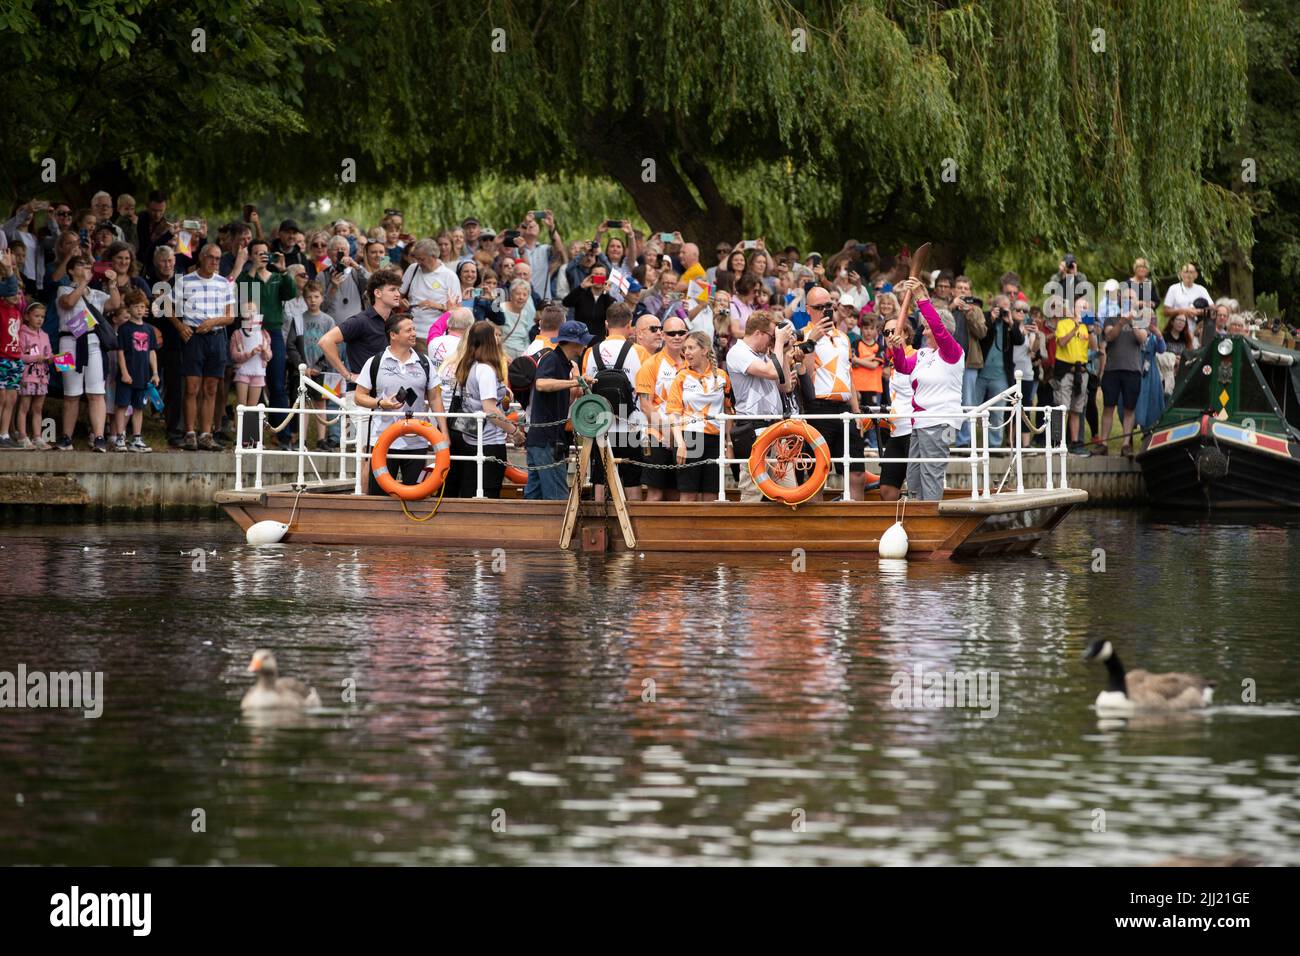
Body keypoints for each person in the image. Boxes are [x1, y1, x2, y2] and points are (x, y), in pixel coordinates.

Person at [354, 313, 446, 496]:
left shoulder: (424, 362)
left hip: (417, 440)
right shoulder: (375, 362)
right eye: (408, 330)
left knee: (417, 496)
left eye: (414, 329)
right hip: (382, 439)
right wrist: (380, 403)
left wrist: (444, 432)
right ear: (393, 335)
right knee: (378, 495)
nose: (414, 333)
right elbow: (359, 396)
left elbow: (435, 398)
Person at [889, 278, 964, 501]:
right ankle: (916, 515)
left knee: (931, 473)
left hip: (941, 421)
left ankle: (931, 517)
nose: (923, 331)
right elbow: (902, 367)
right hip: (919, 423)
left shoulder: (953, 352)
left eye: (927, 327)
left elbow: (939, 329)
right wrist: (897, 349)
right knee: (913, 476)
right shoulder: (922, 354)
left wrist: (922, 298)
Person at [318, 268, 403, 450]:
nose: (398, 294)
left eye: (398, 289)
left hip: (388, 395)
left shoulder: (395, 322)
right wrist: (347, 375)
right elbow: (326, 341)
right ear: (377, 293)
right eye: (392, 289)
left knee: (389, 450)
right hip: (361, 395)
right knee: (365, 452)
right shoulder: (361, 320)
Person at [800, 287, 868, 500]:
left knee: (856, 469)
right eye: (819, 307)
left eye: (828, 306)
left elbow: (849, 375)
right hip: (819, 408)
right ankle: (816, 522)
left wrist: (857, 412)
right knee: (818, 470)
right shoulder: (802, 334)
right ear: (808, 309)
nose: (825, 311)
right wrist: (812, 339)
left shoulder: (844, 337)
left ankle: (856, 518)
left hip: (845, 409)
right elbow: (805, 376)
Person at [582, 302, 650, 502]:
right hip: (631, 425)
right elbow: (645, 390)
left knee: (600, 479)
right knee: (632, 480)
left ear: (605, 323)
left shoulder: (591, 352)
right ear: (630, 325)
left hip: (600, 425)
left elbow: (586, 389)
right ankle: (633, 525)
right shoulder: (639, 352)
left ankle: (598, 527)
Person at [725, 311, 794, 501]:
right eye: (771, 337)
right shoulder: (737, 352)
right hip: (753, 428)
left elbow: (785, 385)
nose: (772, 342)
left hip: (776, 428)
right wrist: (779, 343)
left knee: (788, 490)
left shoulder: (767, 354)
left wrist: (785, 353)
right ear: (758, 333)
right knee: (752, 491)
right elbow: (771, 372)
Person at [448, 320, 521, 498]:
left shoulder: (468, 365)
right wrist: (514, 430)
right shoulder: (485, 369)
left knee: (470, 488)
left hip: (471, 437)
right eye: (495, 336)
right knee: (488, 490)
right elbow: (490, 410)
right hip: (489, 441)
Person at [56, 255, 122, 451]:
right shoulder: (63, 289)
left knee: (96, 392)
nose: (87, 268)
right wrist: (83, 283)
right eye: (82, 266)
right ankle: (66, 437)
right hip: (67, 343)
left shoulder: (96, 294)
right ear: (70, 270)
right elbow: (67, 303)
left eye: (88, 266)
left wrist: (112, 285)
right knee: (70, 393)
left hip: (93, 343)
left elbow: (115, 304)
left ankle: (99, 436)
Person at [177, 245, 234, 451]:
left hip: (216, 336)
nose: (215, 262)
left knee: (211, 388)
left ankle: (206, 434)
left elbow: (231, 316)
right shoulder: (185, 281)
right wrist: (180, 326)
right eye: (211, 257)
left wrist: (213, 322)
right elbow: (167, 308)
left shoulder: (223, 283)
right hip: (194, 337)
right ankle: (190, 433)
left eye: (218, 259)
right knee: (192, 387)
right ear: (201, 258)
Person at [526, 321, 592, 500]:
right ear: (573, 343)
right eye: (583, 342)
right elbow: (541, 384)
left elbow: (567, 398)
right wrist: (574, 382)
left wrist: (578, 379)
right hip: (547, 440)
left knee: (534, 494)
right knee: (557, 497)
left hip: (542, 438)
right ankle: (559, 529)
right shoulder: (552, 359)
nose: (585, 345)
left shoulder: (565, 364)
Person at [667, 331, 733, 502]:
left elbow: (728, 412)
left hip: (715, 439)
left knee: (711, 494)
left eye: (691, 348)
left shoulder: (722, 376)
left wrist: (728, 443)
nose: (686, 352)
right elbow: (673, 413)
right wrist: (680, 443)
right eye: (685, 349)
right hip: (689, 437)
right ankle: (683, 529)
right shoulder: (681, 376)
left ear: (704, 350)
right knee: (688, 494)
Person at [636, 314, 688, 500]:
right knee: (655, 493)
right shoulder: (651, 364)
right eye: (671, 333)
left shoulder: (692, 364)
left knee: (679, 493)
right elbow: (645, 405)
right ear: (663, 336)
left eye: (681, 332)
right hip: (657, 436)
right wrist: (668, 433)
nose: (677, 337)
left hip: (685, 436)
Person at [1099, 297, 1149, 456]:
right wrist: (1121, 322)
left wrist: (1132, 322)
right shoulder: (1110, 319)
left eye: (1131, 298)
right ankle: (1103, 443)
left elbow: (1142, 338)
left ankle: (1126, 444)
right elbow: (1109, 337)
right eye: (1124, 297)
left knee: (1129, 408)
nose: (1127, 300)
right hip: (1112, 370)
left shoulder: (1141, 320)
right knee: (1108, 407)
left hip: (1132, 371)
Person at [972, 295, 1023, 448]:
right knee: (972, 409)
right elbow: (982, 337)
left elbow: (1019, 340)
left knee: (998, 413)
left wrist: (1011, 323)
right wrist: (992, 319)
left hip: (1000, 375)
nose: (1005, 310)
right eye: (1002, 307)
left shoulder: (1010, 323)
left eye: (1008, 307)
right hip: (981, 373)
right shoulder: (986, 317)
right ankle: (968, 444)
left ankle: (994, 446)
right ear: (994, 306)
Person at [1050, 298, 1095, 455]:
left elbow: (1094, 348)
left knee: (1077, 409)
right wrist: (1074, 327)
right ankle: (1057, 443)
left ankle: (1075, 443)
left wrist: (1091, 330)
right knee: (1061, 407)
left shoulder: (1086, 327)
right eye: (1082, 307)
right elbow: (1061, 343)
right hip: (1065, 371)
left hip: (1081, 372)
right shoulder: (1064, 324)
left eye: (1086, 307)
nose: (1084, 309)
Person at [112, 303, 160, 452]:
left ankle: (137, 439)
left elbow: (152, 351)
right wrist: (124, 372)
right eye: (136, 306)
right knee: (122, 405)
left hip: (143, 375)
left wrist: (155, 373)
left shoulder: (149, 329)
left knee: (139, 407)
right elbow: (120, 352)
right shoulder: (125, 328)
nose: (139, 310)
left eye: (142, 307)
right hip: (128, 375)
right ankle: (120, 437)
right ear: (129, 309)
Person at [877, 316, 915, 502]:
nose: (890, 335)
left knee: (916, 486)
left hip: (913, 429)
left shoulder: (916, 356)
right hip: (896, 431)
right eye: (886, 333)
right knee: (886, 488)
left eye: (895, 331)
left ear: (906, 333)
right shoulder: (891, 361)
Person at [399, 239, 459, 343]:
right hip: (410, 333)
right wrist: (401, 302)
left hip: (436, 335)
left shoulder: (449, 276)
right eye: (417, 259)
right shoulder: (412, 269)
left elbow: (457, 310)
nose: (419, 263)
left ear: (434, 256)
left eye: (422, 259)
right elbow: (398, 295)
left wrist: (437, 306)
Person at [229, 313, 272, 448]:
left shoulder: (264, 334)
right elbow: (234, 355)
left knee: (253, 406)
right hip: (243, 372)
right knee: (241, 405)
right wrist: (250, 353)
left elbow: (269, 356)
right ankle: (240, 437)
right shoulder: (237, 334)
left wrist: (264, 351)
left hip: (258, 373)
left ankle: (251, 438)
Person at [15, 302, 52, 448]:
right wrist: (35, 358)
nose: (40, 319)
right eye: (36, 316)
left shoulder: (45, 335)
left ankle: (38, 437)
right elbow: (19, 355)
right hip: (28, 376)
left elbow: (48, 352)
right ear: (27, 316)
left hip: (42, 377)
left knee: (38, 408)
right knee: (24, 407)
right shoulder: (22, 334)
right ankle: (22, 437)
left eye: (42, 316)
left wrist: (51, 357)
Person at [850, 311, 884, 449]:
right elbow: (852, 362)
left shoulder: (879, 346)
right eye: (865, 328)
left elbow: (874, 365)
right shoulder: (856, 343)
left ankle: (874, 446)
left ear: (876, 330)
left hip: (873, 386)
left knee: (873, 418)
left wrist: (858, 360)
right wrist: (868, 358)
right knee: (858, 417)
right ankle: (860, 444)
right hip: (857, 386)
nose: (868, 331)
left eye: (871, 328)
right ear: (861, 329)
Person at [0, 270, 22, 447]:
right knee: (1, 398)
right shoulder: (1, 308)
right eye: (13, 292)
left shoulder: (18, 311)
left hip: (15, 360)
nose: (16, 295)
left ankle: (4, 434)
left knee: (11, 399)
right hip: (2, 358)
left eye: (18, 293)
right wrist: (8, 271)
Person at [1162, 263, 1212, 337]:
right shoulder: (1173, 289)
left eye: (1191, 272)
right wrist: (1184, 311)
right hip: (1178, 331)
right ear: (1180, 274)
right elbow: (1165, 312)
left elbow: (1213, 309)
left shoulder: (1202, 290)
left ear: (1196, 275)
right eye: (1186, 272)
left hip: (1197, 331)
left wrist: (1199, 312)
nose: (1188, 275)